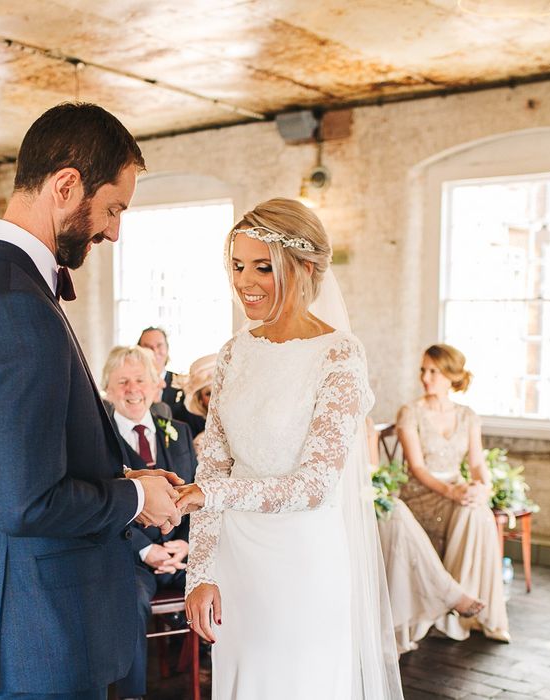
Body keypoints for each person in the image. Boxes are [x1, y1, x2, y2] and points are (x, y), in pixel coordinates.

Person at [0, 102, 184, 700]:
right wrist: (132, 497)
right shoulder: (17, 305)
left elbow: (15, 463)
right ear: (66, 185)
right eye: (113, 208)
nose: (114, 230)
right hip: (36, 633)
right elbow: (26, 502)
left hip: (3, 618)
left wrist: (122, 473)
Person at [176, 199, 402, 699]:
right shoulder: (234, 351)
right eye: (237, 265)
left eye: (262, 267)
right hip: (236, 561)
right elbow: (212, 467)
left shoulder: (340, 354)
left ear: (302, 268)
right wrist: (201, 572)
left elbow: (315, 486)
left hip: (302, 565)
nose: (244, 282)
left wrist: (210, 496)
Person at [397, 344, 510, 642]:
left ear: (451, 376)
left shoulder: (468, 416)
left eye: (434, 371)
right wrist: (453, 492)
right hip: (422, 493)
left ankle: (475, 612)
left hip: (457, 491)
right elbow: (418, 469)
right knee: (469, 510)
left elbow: (476, 463)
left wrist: (483, 488)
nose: (426, 377)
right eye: (423, 370)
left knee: (477, 511)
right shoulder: (410, 413)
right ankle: (456, 605)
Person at [102, 345, 197, 700]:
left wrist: (186, 543)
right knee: (132, 598)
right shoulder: (100, 441)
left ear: (156, 385)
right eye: (122, 381)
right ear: (107, 389)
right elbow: (101, 506)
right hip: (130, 557)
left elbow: (196, 494)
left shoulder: (179, 431)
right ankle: (131, 695)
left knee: (232, 579)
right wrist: (147, 550)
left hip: (183, 552)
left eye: (140, 380)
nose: (132, 389)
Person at [367, 417, 484, 654]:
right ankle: (448, 592)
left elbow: (372, 471)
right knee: (397, 514)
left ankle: (404, 618)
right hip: (337, 504)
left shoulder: (365, 423)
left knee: (396, 514)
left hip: (366, 499)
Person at [173, 353, 216, 449]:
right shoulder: (201, 442)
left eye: (218, 389)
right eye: (208, 394)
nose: (215, 397)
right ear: (200, 400)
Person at [137, 327, 186, 408]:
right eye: (147, 346)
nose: (154, 350)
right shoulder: (132, 384)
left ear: (167, 348)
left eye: (159, 345)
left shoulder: (182, 383)